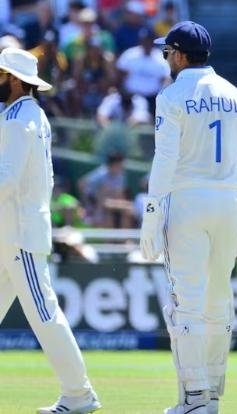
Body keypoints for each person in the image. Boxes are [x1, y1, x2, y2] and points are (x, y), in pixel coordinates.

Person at [139, 21, 237, 414]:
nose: (165, 60)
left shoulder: (172, 95)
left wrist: (151, 215)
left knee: (185, 305)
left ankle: (195, 398)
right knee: (219, 300)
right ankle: (210, 397)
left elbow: (165, 159)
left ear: (179, 54)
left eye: (166, 52)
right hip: (228, 202)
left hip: (187, 200)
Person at [0, 47, 101, 414]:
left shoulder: (17, 120)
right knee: (44, 313)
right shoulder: (31, 115)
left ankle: (79, 394)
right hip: (14, 232)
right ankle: (79, 393)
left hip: (19, 235)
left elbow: (6, 179)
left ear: (12, 79)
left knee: (45, 315)